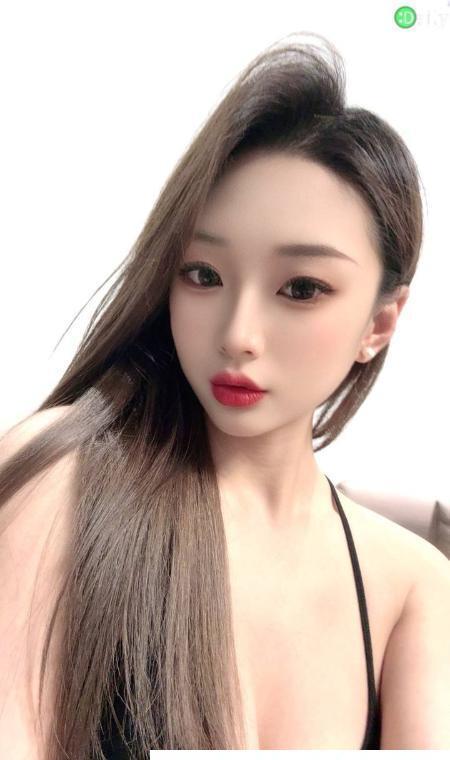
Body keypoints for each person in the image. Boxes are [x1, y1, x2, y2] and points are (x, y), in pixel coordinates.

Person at [1, 31, 446, 757]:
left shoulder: (414, 587)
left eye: (301, 288)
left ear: (379, 323)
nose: (238, 335)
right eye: (203, 275)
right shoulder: (61, 485)